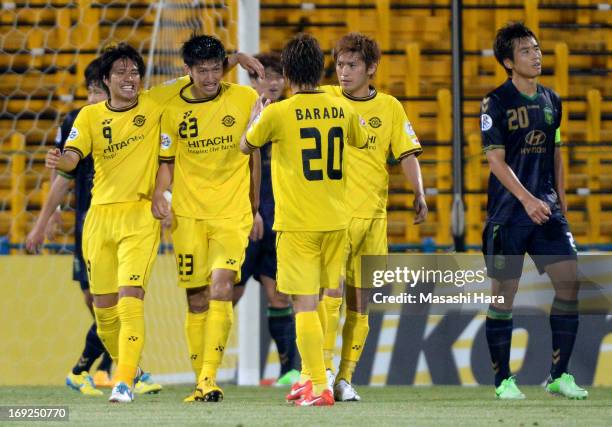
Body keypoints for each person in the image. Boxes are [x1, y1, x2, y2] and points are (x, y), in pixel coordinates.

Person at [46, 43, 189, 403]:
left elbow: (199, 76)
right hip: (99, 219)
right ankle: (135, 370)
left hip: (139, 216)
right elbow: (73, 159)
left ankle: (123, 382)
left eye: (135, 72)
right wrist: (58, 160)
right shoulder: (89, 117)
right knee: (104, 311)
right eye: (122, 73)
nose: (130, 78)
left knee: (130, 299)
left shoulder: (156, 106)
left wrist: (160, 193)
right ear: (106, 80)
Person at [241, 33, 369, 407]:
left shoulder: (278, 113)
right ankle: (316, 376)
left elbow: (245, 145)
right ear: (321, 69)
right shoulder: (341, 108)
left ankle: (317, 384)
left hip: (298, 224)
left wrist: (257, 115)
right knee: (327, 300)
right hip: (336, 220)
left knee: (304, 305)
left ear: (287, 72)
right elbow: (360, 141)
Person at [480, 22, 587, 400]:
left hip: (547, 211)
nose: (536, 55)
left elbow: (555, 153)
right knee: (502, 296)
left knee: (569, 282)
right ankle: (502, 381)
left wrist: (561, 199)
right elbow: (496, 161)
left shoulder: (551, 100)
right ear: (508, 61)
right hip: (509, 213)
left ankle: (559, 376)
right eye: (525, 50)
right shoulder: (495, 102)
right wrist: (526, 198)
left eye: (537, 48)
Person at [151, 35, 260, 403]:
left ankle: (209, 378)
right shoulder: (170, 108)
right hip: (188, 215)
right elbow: (166, 163)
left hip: (232, 214)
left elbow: (255, 156)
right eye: (203, 70)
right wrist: (158, 193)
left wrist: (255, 205)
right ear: (188, 71)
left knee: (222, 287)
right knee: (196, 300)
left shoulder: (244, 99)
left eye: (217, 68)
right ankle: (201, 379)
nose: (212, 77)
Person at [319, 32, 427, 401]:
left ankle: (345, 378)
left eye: (352, 65)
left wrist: (419, 192)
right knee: (329, 294)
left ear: (371, 68)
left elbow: (407, 154)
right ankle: (324, 368)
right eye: (340, 64)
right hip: (332, 216)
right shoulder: (325, 98)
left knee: (359, 302)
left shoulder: (391, 108)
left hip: (373, 219)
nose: (343, 72)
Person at [26, 58, 115, 396]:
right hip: (87, 222)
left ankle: (102, 368)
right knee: (94, 299)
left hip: (124, 220)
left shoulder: (127, 119)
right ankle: (113, 365)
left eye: (98, 91)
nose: (93, 98)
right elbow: (62, 167)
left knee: (120, 298)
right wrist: (51, 214)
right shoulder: (75, 120)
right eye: (90, 92)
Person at [232, 52, 300, 387]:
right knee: (227, 291)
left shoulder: (292, 112)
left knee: (279, 295)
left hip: (284, 216)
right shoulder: (240, 112)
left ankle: (290, 369)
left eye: (278, 76)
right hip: (246, 214)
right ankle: (208, 363)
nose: (272, 82)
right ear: (252, 80)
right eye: (264, 76)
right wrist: (251, 209)